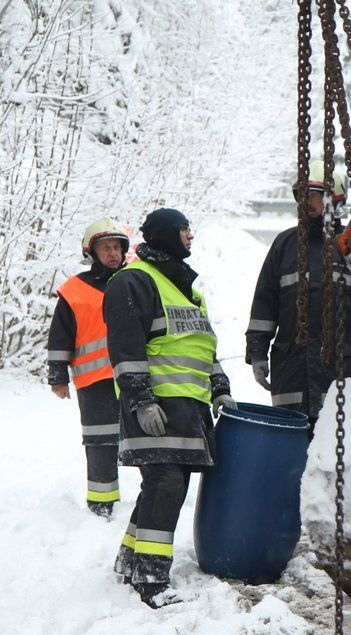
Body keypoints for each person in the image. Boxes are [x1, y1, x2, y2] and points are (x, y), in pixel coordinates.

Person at [104, 207, 236, 608]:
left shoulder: (188, 291)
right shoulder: (132, 280)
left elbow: (204, 348)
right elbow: (125, 350)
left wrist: (221, 389)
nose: (190, 237)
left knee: (164, 487)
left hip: (188, 411)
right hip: (156, 410)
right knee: (165, 486)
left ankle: (130, 562)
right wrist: (142, 401)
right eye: (184, 230)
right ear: (165, 234)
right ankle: (151, 580)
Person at [246, 161, 351, 431]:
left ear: (334, 200)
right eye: (301, 195)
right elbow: (264, 305)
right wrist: (257, 353)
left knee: (341, 443)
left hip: (344, 370)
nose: (305, 202)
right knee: (293, 447)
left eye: (314, 195)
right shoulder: (284, 246)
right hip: (292, 373)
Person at [47, 217, 131, 519]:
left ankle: (148, 505)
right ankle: (101, 508)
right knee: (100, 444)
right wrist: (58, 376)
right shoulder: (74, 290)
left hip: (133, 378)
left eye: (117, 247)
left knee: (145, 441)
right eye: (105, 247)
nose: (113, 253)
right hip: (95, 383)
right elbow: (60, 336)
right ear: (91, 252)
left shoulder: (135, 281)